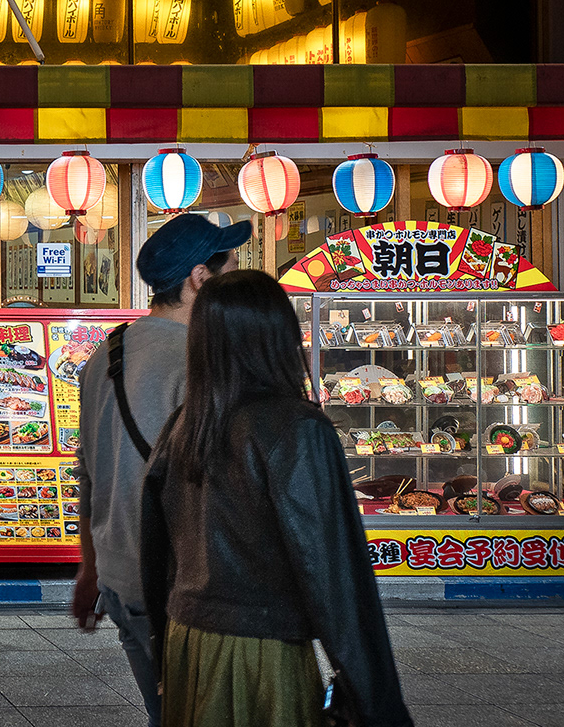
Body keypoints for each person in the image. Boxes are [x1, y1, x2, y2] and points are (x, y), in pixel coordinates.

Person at [141, 271, 412, 727]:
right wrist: (379, 702)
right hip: (260, 651)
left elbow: (154, 553)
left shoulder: (183, 426)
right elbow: (333, 573)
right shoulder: (298, 428)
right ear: (280, 335)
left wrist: (161, 649)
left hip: (187, 640)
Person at [72, 211, 251, 726]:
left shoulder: (107, 353)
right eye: (229, 269)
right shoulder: (204, 358)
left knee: (166, 712)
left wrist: (89, 566)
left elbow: (88, 472)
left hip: (121, 575)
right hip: (185, 584)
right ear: (199, 277)